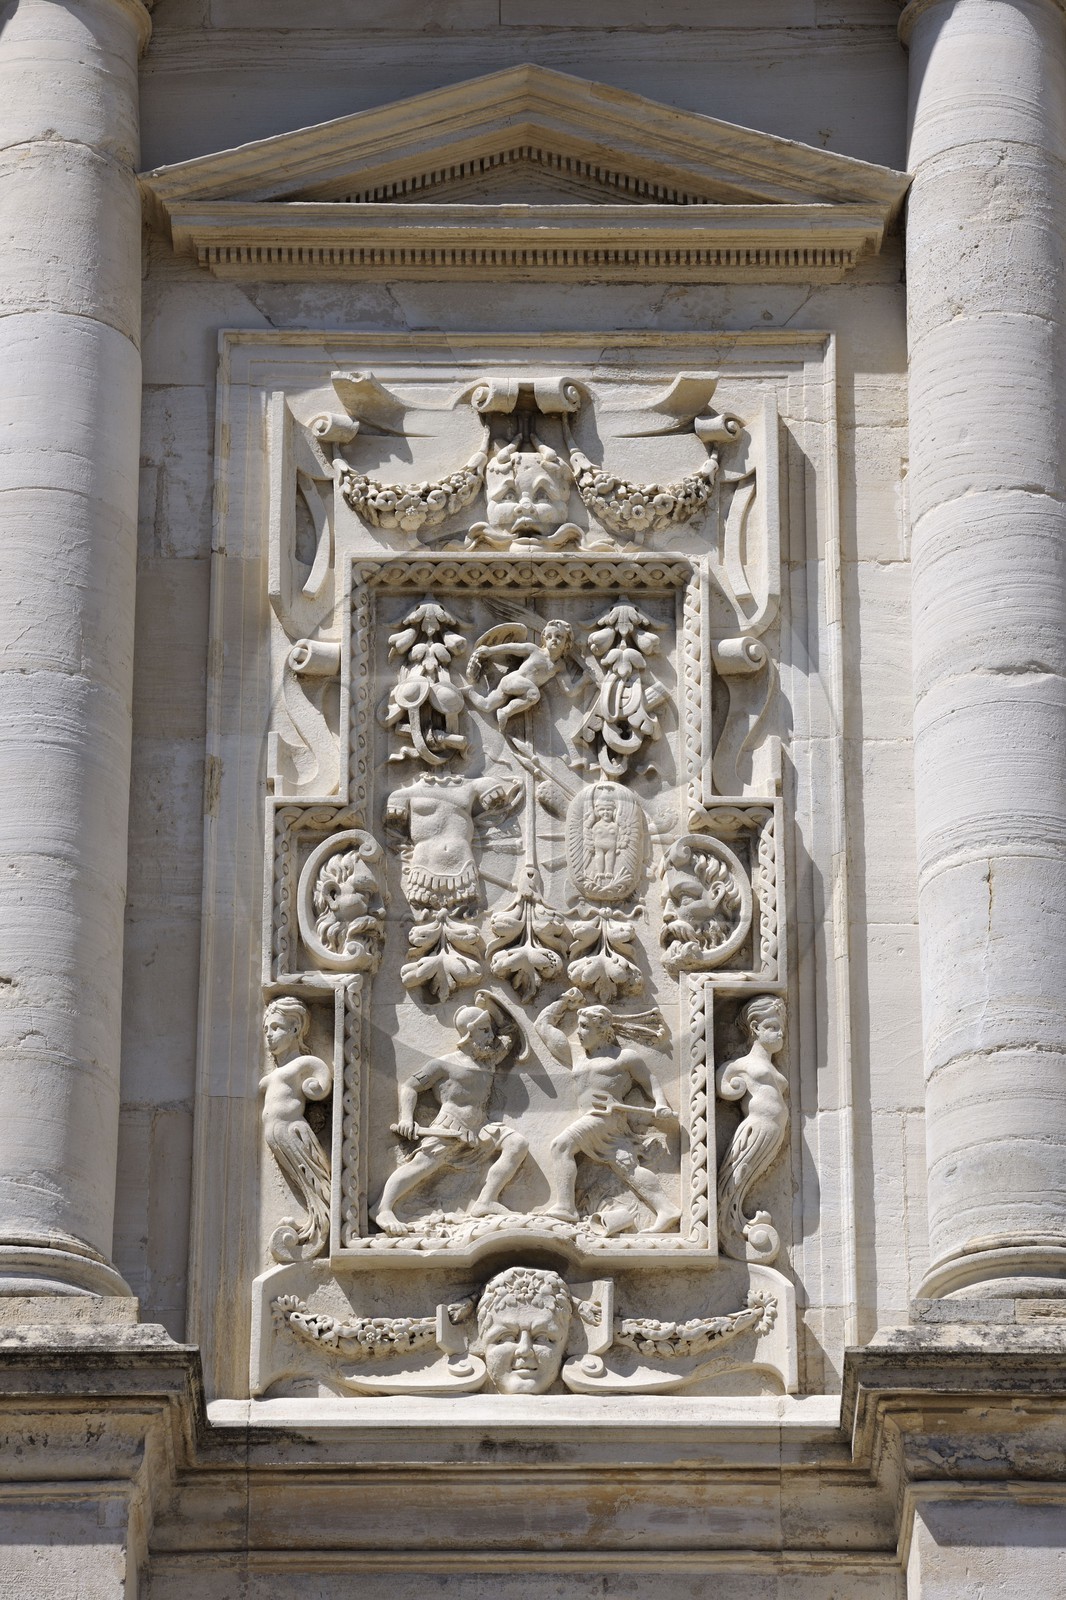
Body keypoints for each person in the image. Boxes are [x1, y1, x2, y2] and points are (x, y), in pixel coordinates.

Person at [371, 993, 528, 1236]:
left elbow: (510, 1032)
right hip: (451, 1125)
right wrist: (406, 1118)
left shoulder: (489, 1060)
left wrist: (490, 1002)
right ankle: (382, 1208)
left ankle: (485, 1201)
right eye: (485, 1031)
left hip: (481, 1126)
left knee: (517, 1144)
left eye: (489, 1030)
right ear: (469, 1034)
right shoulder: (443, 1064)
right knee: (422, 1166)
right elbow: (411, 1086)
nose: (491, 1036)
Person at [536, 988, 680, 1232]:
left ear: (602, 1030)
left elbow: (650, 1081)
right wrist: (564, 1001)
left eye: (584, 1027)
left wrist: (661, 1104)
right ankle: (667, 1209)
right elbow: (543, 1026)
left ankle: (565, 1207)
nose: (578, 1032)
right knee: (628, 1168)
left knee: (561, 1146)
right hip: (594, 1119)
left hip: (605, 1116)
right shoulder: (576, 1055)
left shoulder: (624, 1058)